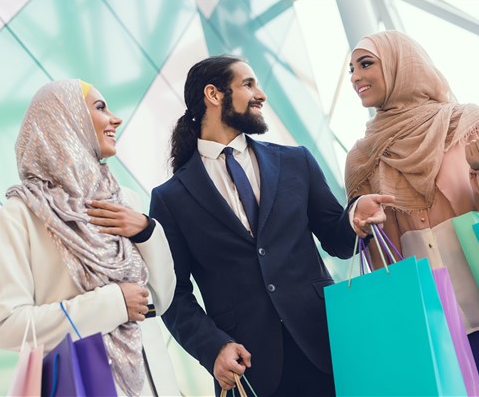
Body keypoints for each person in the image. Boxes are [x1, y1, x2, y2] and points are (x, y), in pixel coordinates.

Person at [149, 55, 394, 397]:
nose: (261, 94)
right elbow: (172, 294)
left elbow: (336, 240)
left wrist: (355, 220)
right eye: (248, 84)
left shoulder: (296, 162)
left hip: (326, 346)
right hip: (248, 368)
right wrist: (213, 348)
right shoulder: (170, 198)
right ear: (214, 94)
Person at [345, 30, 479, 395]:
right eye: (351, 69)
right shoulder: (361, 160)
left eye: (366, 64)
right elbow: (376, 256)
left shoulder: (466, 123)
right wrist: (362, 223)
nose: (355, 78)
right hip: (429, 330)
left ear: (403, 65)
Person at [0, 79, 178, 396]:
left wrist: (147, 232)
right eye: (100, 108)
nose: (115, 119)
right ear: (64, 118)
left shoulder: (125, 201)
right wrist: (111, 303)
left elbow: (157, 301)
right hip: (82, 384)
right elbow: (9, 327)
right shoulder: (22, 214)